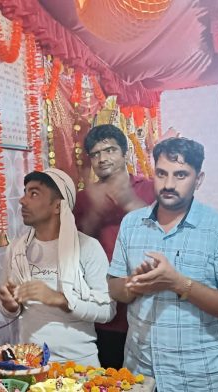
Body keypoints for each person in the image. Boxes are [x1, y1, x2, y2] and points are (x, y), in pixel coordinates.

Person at [107, 137, 218, 392]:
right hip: (140, 378)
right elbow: (114, 288)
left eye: (181, 175)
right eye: (162, 174)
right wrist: (135, 284)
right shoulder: (131, 224)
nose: (169, 184)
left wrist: (179, 284)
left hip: (201, 380)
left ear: (199, 179)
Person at [0, 168, 115, 367]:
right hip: (31, 365)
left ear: (57, 206)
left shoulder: (87, 248)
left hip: (80, 366)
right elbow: (11, 311)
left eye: (34, 193)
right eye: (25, 192)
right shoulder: (17, 250)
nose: (23, 200)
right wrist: (10, 306)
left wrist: (60, 299)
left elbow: (107, 310)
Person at [73, 124, 155, 369]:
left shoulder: (150, 188)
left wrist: (129, 201)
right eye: (95, 154)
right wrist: (94, 214)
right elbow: (73, 247)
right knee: (112, 373)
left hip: (149, 299)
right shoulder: (84, 198)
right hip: (105, 301)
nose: (102, 158)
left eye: (110, 150)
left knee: (149, 377)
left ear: (125, 153)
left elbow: (167, 231)